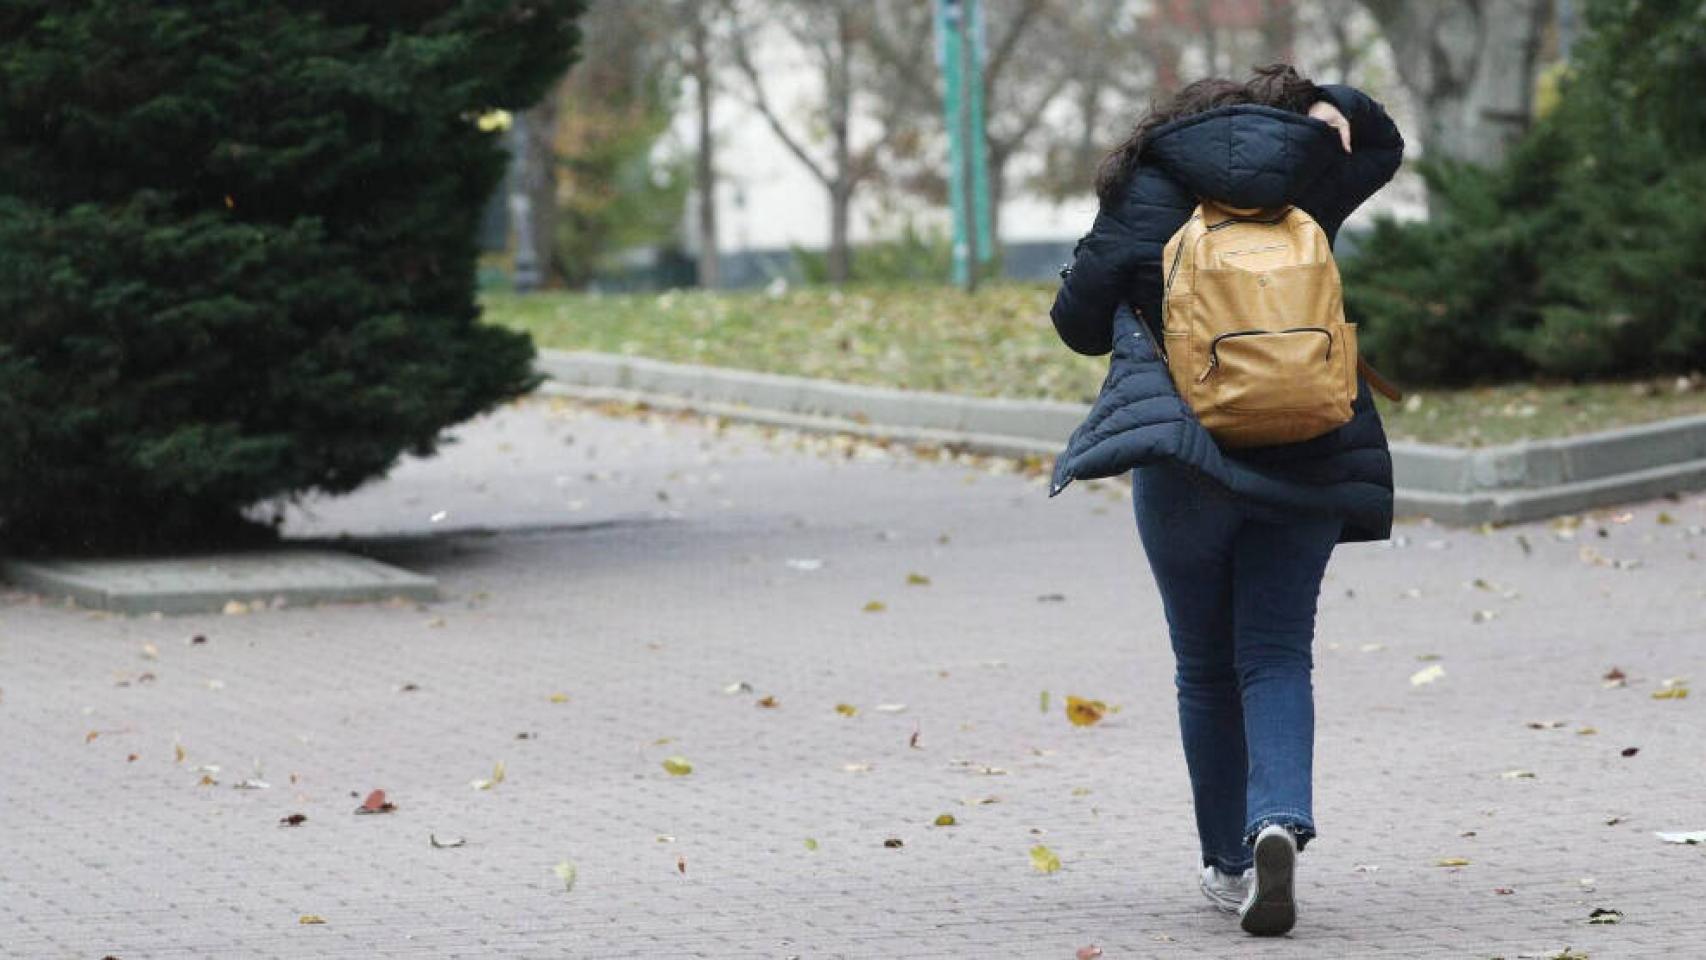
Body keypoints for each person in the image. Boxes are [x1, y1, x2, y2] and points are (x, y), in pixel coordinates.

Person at [1047, 64, 1405, 937]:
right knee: (1277, 653)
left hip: (1186, 460)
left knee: (1205, 668)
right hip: (1312, 450)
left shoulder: (1147, 185)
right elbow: (1386, 145)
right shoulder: (1307, 176)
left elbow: (1078, 324)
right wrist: (1337, 108)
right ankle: (1277, 816)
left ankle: (1230, 862)